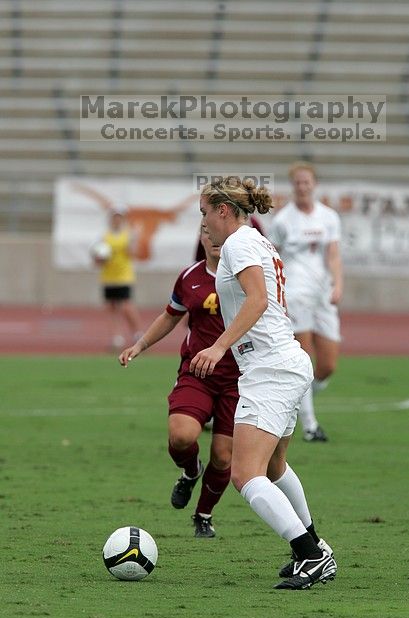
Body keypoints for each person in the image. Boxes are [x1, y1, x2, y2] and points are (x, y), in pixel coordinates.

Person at [190, 176, 337, 590]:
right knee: (273, 468)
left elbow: (256, 300)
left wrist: (218, 348)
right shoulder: (256, 240)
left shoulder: (238, 242)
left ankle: (310, 554)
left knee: (246, 474)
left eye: (205, 213)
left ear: (223, 210)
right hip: (285, 360)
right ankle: (314, 547)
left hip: (270, 367)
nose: (204, 223)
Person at [118, 230, 239, 538]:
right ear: (199, 237)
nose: (214, 239)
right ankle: (190, 471)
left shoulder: (247, 277)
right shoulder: (189, 277)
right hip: (196, 372)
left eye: (220, 233)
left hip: (239, 379)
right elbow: (170, 316)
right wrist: (140, 345)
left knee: (224, 456)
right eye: (207, 233)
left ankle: (203, 515)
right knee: (182, 436)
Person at [268, 162, 343, 442]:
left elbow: (334, 254)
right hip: (295, 292)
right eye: (297, 182)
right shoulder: (283, 220)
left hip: (323, 293)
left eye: (306, 182)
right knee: (305, 357)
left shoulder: (328, 217)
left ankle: (291, 402)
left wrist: (338, 284)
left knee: (328, 365)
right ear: (293, 186)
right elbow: (271, 257)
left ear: (314, 184)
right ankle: (310, 426)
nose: (302, 187)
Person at [93, 208, 144, 350]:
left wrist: (133, 242)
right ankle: (116, 338)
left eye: (119, 217)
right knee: (111, 307)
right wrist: (100, 258)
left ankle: (138, 335)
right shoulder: (104, 236)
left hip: (124, 276)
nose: (116, 220)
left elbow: (133, 253)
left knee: (127, 306)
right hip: (108, 277)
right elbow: (96, 259)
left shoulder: (128, 235)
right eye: (114, 217)